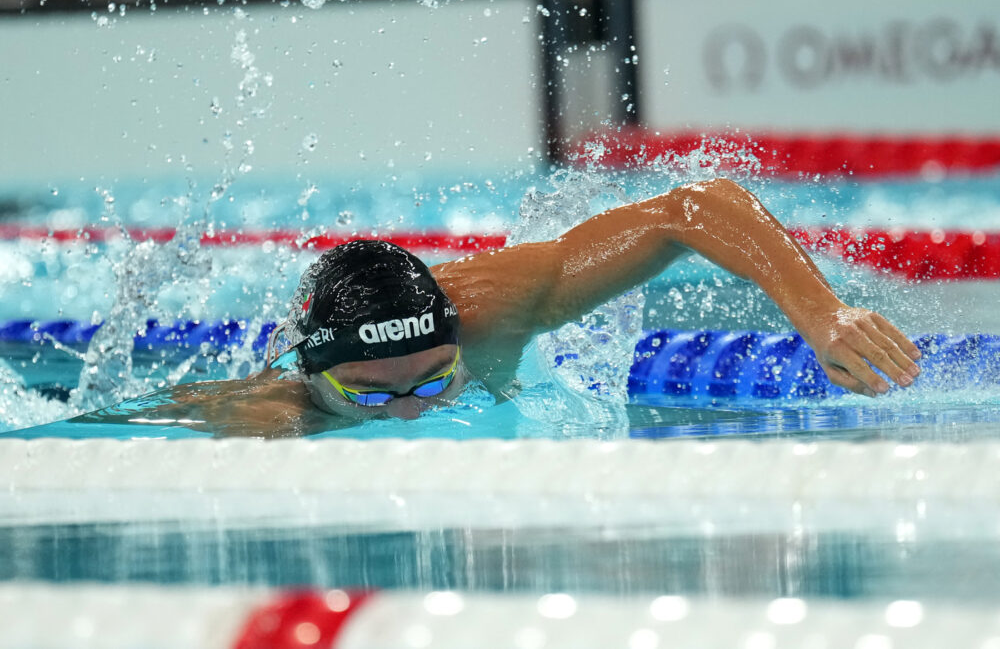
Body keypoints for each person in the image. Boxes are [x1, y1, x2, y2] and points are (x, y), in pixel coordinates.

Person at [111, 178, 922, 436]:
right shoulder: (272, 408)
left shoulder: (495, 309)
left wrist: (822, 316)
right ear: (311, 372)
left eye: (433, 385)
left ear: (458, 341)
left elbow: (690, 208)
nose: (403, 414)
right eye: (366, 396)